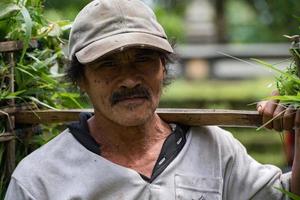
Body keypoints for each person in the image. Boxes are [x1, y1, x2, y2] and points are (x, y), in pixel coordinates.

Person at [5, 0, 300, 199]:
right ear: (81, 79)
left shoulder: (214, 148)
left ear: (163, 68)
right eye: (108, 64)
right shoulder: (39, 180)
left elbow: (288, 194)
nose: (130, 79)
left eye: (144, 59)